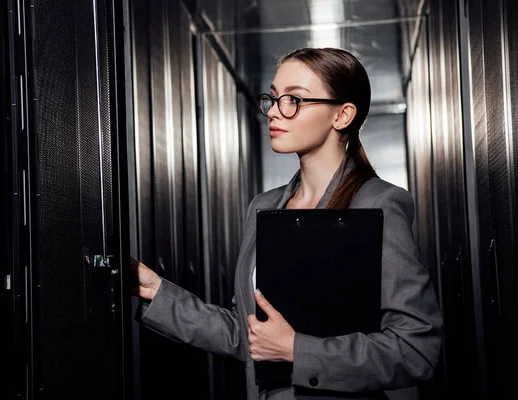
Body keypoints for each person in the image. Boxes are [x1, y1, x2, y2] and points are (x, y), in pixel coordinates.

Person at [130, 47, 443, 400]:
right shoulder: (264, 206)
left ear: (342, 115)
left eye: (294, 100)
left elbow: (416, 350)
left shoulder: (378, 204)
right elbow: (246, 333)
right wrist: (155, 290)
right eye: (274, 98)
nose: (275, 112)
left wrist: (297, 350)